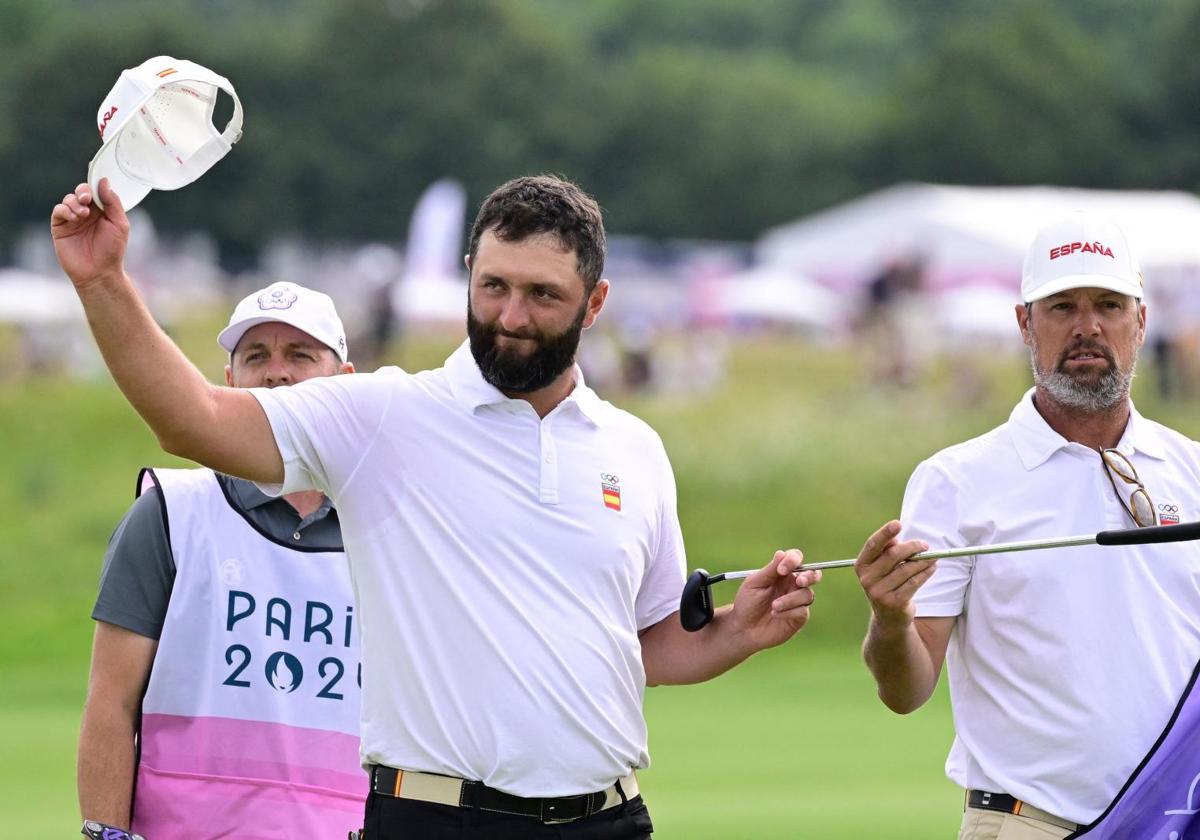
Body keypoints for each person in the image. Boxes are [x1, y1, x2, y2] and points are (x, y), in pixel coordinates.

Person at [52, 174, 822, 839]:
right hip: (437, 819)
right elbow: (192, 419)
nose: (511, 316)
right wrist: (103, 282)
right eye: (493, 287)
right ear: (467, 276)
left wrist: (739, 632)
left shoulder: (635, 450)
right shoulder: (386, 417)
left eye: (542, 295)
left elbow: (644, 651)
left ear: (595, 304)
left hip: (609, 818)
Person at [854, 213, 1200, 838]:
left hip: (1176, 818)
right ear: (1024, 324)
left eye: (1109, 305)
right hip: (1031, 824)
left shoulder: (1192, 470)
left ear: (1141, 321)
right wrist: (890, 619)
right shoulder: (957, 480)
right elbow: (906, 689)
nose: (1087, 327)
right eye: (1061, 306)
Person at [76, 281, 365, 838]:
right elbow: (110, 706)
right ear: (229, 381)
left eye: (300, 355)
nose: (277, 372)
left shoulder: (389, 527)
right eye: (256, 356)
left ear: (343, 381)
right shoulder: (171, 514)